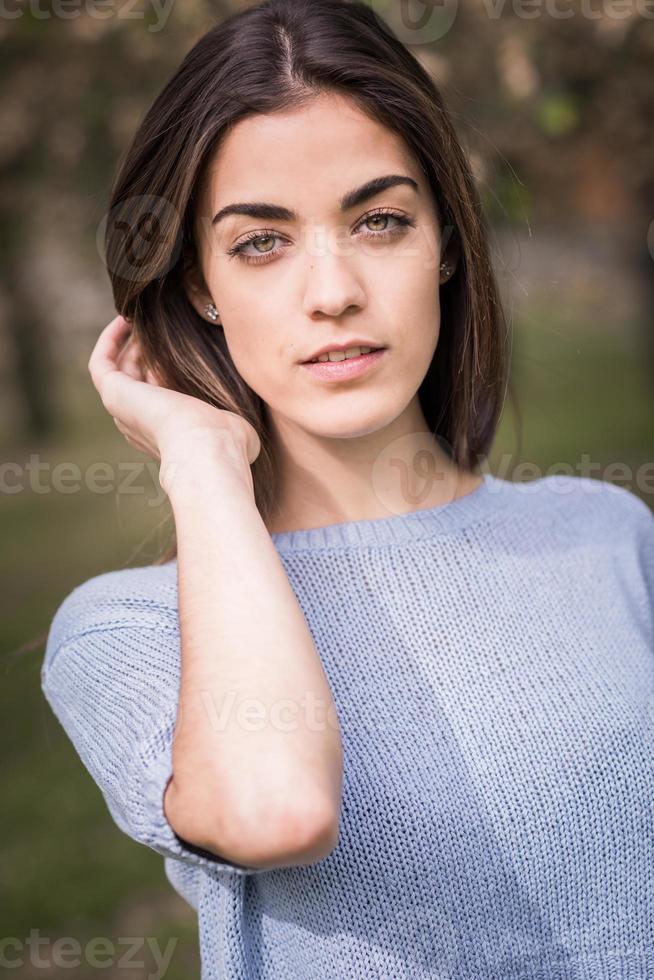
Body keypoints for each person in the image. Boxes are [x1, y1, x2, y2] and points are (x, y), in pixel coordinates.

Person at [41, 1, 654, 978]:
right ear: (199, 281)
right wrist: (201, 465)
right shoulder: (129, 628)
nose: (332, 291)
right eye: (260, 241)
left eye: (379, 220)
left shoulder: (610, 536)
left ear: (444, 243)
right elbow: (275, 809)